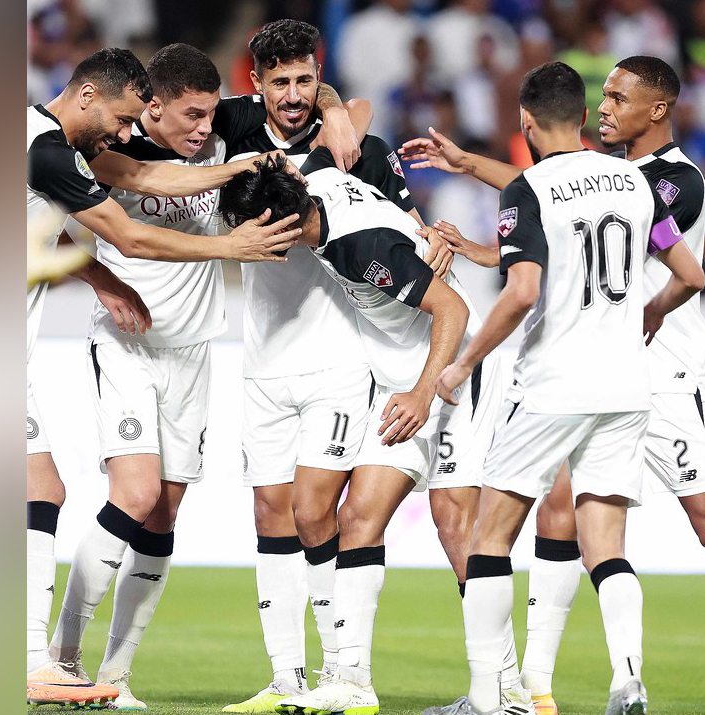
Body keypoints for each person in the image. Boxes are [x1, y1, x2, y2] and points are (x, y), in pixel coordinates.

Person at [402, 56, 705, 715]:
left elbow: (553, 200)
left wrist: (460, 362)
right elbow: (570, 199)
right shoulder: (626, 184)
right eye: (602, 96)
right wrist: (473, 175)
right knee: (572, 519)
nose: (606, 105)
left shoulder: (673, 180)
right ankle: (551, 686)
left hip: (655, 373)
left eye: (620, 96)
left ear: (658, 109)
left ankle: (496, 698)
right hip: (623, 375)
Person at [44, 42, 366, 710]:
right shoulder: (108, 150)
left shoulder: (220, 130)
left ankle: (117, 676)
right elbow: (119, 204)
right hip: (130, 349)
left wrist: (333, 108)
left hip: (193, 352)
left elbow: (313, 102)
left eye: (210, 115)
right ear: (151, 106)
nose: (202, 128)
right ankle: (62, 655)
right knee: (132, 495)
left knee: (164, 510)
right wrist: (105, 277)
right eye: (190, 115)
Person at [216, 21, 478, 714]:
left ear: (318, 71)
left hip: (346, 360)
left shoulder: (350, 155)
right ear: (257, 84)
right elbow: (176, 126)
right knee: (273, 512)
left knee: (330, 513)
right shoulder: (235, 127)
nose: (295, 95)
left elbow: (400, 224)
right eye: (281, 82)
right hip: (263, 358)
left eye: (307, 80)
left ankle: (354, 672)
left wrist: (426, 237)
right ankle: (289, 679)